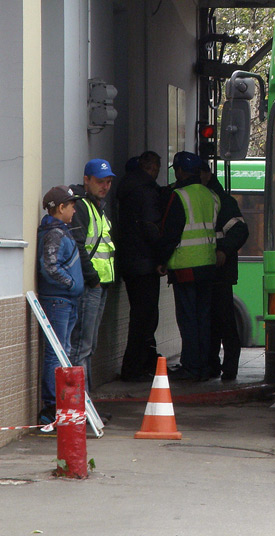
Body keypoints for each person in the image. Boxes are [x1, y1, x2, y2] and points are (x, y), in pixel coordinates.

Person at [156, 151, 221, 381]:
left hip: (185, 266)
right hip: (208, 264)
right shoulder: (212, 196)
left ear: (181, 171)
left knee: (188, 318)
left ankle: (191, 365)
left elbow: (170, 233)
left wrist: (162, 261)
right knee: (203, 317)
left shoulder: (179, 196)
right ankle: (205, 365)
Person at [36, 185, 84, 425]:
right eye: (72, 205)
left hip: (64, 299)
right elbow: (50, 266)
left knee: (62, 350)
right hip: (58, 301)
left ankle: (59, 403)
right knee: (57, 353)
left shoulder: (60, 230)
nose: (75, 210)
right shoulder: (54, 232)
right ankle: (53, 404)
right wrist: (70, 283)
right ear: (61, 208)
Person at [116, 151, 164, 382]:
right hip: (145, 262)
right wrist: (162, 255)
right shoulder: (146, 191)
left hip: (129, 261)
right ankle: (134, 367)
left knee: (139, 314)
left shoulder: (127, 189)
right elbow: (151, 227)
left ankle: (139, 363)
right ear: (152, 167)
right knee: (145, 317)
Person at [68, 158, 116, 389]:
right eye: (99, 181)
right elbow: (78, 245)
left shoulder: (98, 206)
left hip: (100, 285)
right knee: (81, 347)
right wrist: (93, 279)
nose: (105, 186)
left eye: (108, 182)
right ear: (86, 180)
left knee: (89, 345)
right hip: (90, 286)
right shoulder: (82, 206)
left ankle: (86, 406)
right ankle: (79, 407)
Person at [200, 161, 250, 382]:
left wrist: (223, 251)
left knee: (225, 322)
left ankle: (229, 368)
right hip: (205, 271)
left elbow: (240, 230)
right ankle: (212, 365)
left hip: (220, 272)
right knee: (209, 322)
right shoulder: (201, 198)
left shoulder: (223, 201)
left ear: (206, 174)